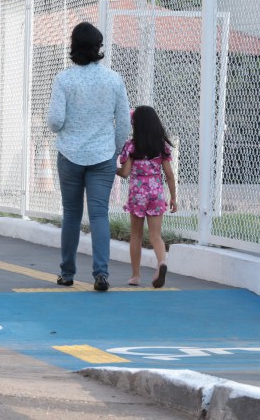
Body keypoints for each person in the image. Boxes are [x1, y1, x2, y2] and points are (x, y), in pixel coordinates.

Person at [47, 22, 131, 292]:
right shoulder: (114, 80)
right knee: (99, 214)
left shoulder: (64, 79)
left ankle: (67, 273)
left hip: (70, 155)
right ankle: (101, 274)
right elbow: (124, 125)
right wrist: (115, 151)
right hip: (102, 155)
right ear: (98, 47)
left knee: (71, 213)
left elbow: (55, 121)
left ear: (73, 47)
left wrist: (65, 128)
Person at [116, 105, 177, 288]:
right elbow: (169, 174)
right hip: (156, 192)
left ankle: (135, 276)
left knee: (136, 235)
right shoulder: (162, 147)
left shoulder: (131, 146)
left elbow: (125, 173)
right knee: (155, 235)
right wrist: (173, 197)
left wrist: (112, 168)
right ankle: (161, 263)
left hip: (138, 193)